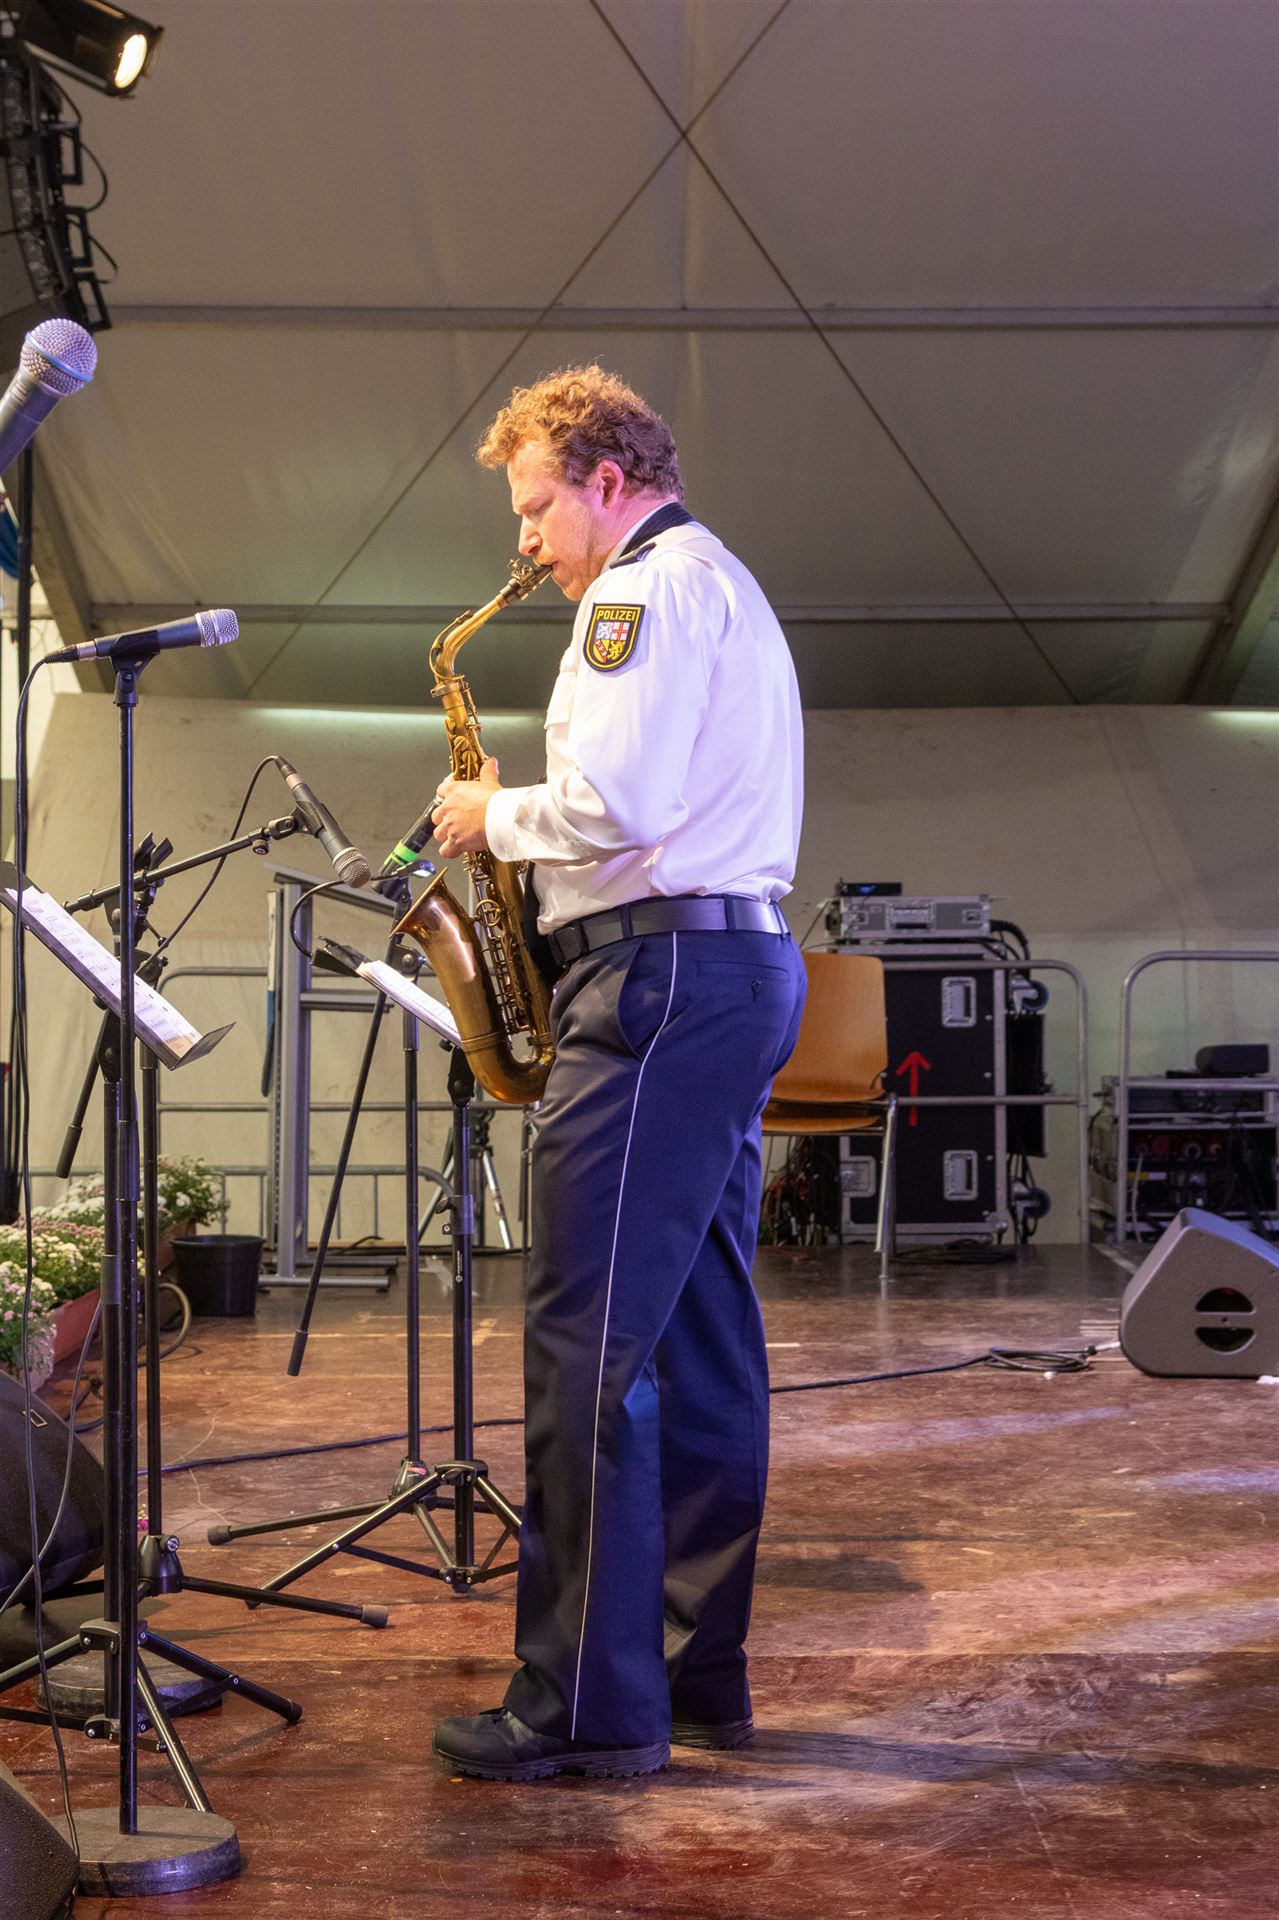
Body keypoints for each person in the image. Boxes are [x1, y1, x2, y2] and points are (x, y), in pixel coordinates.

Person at [430, 365, 806, 1781]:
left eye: (537, 508)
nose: (526, 541)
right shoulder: (724, 583)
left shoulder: (636, 596)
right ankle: (699, 1678)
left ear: (605, 479)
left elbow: (618, 805)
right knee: (701, 1339)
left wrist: (490, 811)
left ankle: (582, 1706)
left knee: (588, 1341)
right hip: (727, 971)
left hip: (653, 984)